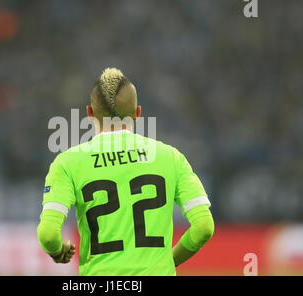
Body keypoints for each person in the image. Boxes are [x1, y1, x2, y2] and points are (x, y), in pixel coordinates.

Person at [37, 68, 214, 276]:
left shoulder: (67, 163)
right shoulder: (171, 157)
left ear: (90, 113)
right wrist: (167, 263)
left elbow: (48, 234)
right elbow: (204, 226)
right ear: (137, 113)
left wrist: (57, 251)